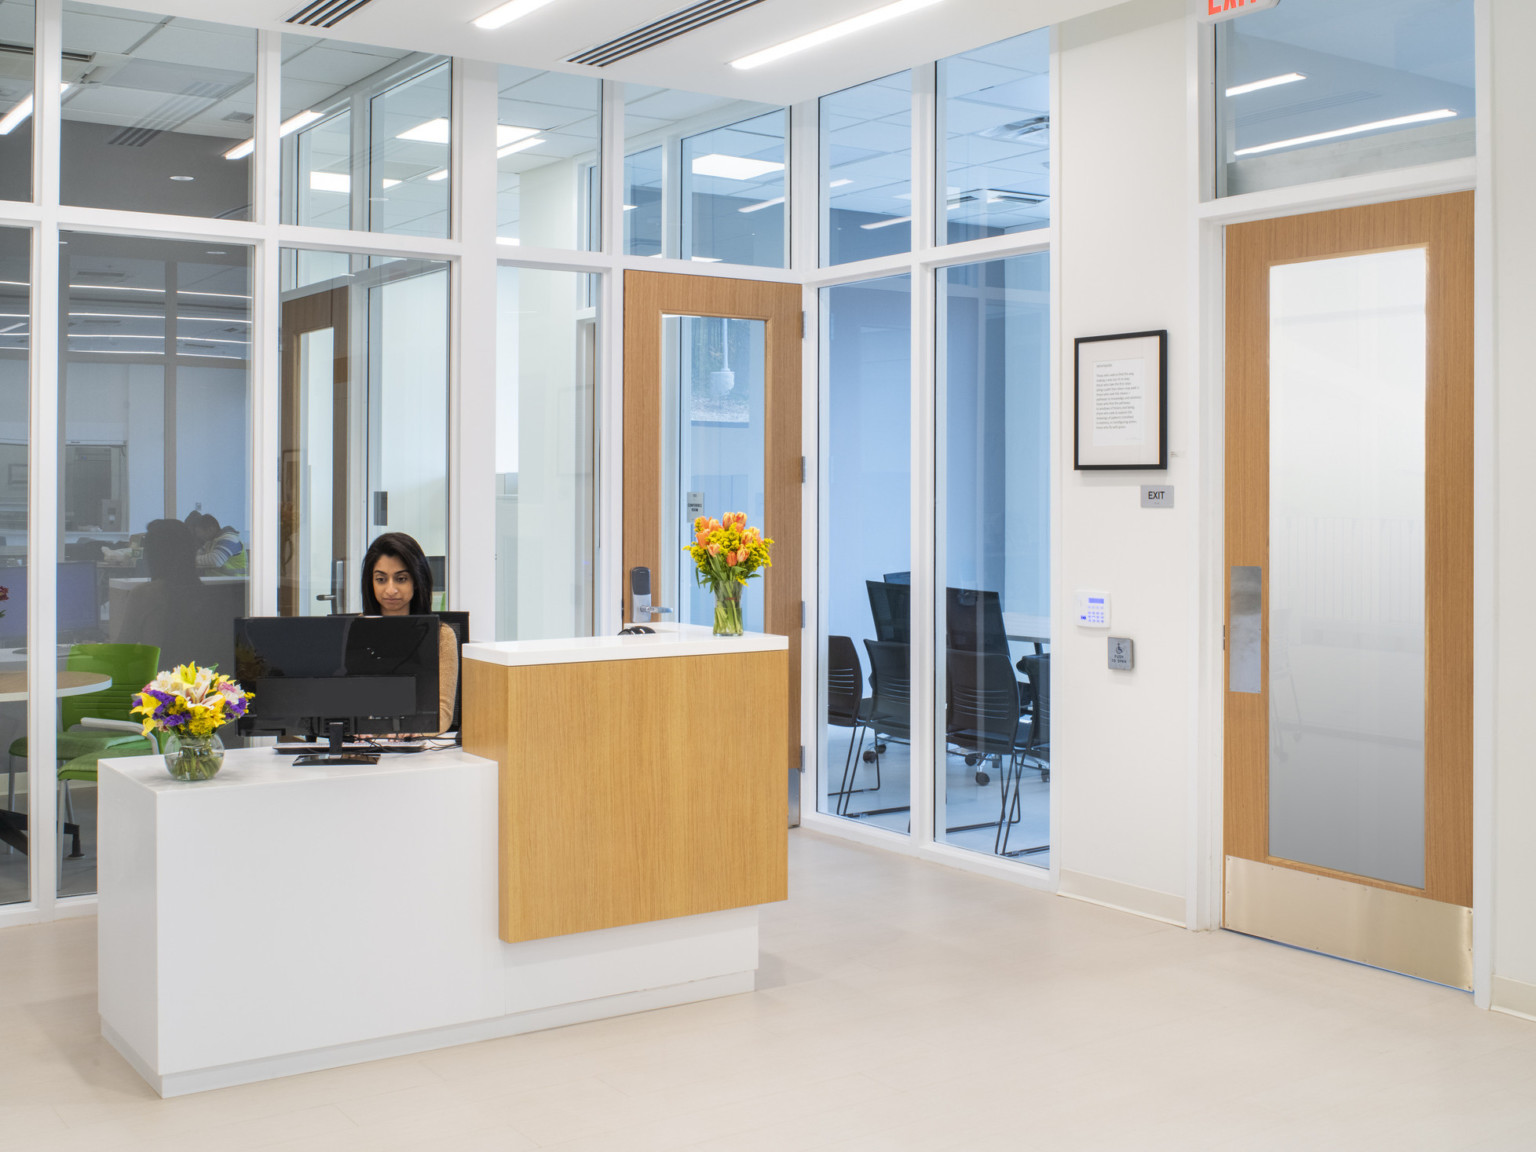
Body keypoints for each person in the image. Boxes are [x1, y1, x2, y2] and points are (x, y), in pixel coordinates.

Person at [360, 532, 457, 735]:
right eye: (381, 579)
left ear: (416, 580)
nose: (391, 589)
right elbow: (344, 702)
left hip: (415, 748)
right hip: (365, 749)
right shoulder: (355, 630)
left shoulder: (442, 636)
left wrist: (415, 730)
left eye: (401, 579)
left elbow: (443, 713)